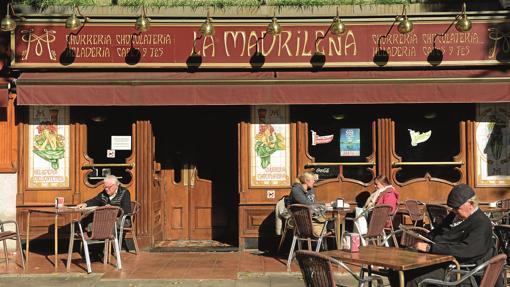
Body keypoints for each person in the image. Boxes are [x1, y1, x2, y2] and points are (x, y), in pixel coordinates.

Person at [392, 184, 503, 287]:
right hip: (445, 261)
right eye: (453, 208)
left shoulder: (481, 223)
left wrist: (430, 248)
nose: (454, 211)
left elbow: (466, 251)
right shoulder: (454, 216)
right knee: (396, 272)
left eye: (457, 208)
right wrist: (423, 239)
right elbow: (438, 232)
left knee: (415, 279)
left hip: (464, 271)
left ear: (471, 204)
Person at [288, 171, 327, 237]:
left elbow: (313, 204)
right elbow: (308, 204)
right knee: (333, 224)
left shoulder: (310, 190)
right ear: (306, 181)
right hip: (301, 222)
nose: (314, 181)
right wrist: (322, 206)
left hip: (309, 218)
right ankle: (336, 246)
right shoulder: (296, 190)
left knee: (329, 222)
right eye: (312, 180)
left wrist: (324, 205)